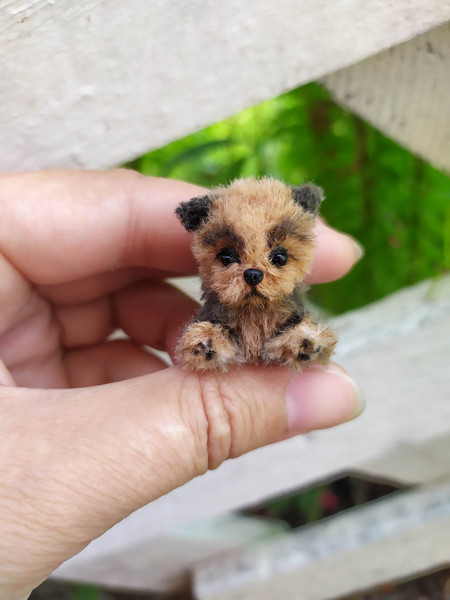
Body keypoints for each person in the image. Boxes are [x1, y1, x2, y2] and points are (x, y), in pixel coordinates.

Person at [0, 169, 364, 599]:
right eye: (229, 258)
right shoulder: (215, 301)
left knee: (301, 333)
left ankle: (297, 344)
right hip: (223, 329)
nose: (254, 271)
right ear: (202, 241)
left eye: (278, 258)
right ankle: (218, 344)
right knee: (206, 335)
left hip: (286, 327)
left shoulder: (290, 299)